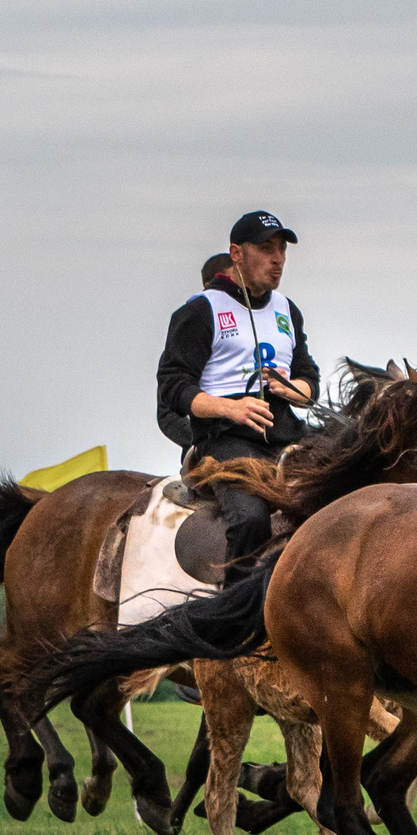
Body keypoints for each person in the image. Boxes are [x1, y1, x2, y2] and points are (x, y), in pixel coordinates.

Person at [155, 211, 324, 579]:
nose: (277, 259)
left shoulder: (287, 310)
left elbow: (310, 379)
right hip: (225, 443)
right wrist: (230, 409)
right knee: (250, 521)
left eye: (281, 249)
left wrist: (295, 389)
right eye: (266, 249)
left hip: (288, 436)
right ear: (236, 253)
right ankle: (233, 618)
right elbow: (173, 386)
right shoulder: (201, 310)